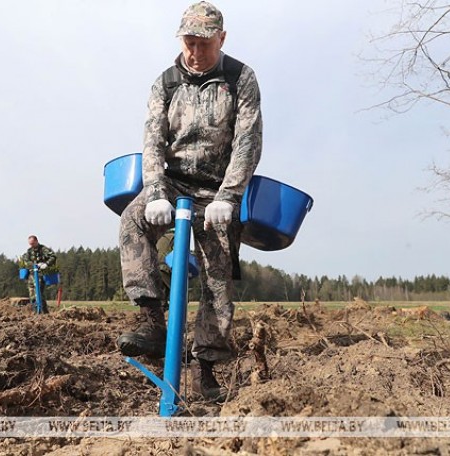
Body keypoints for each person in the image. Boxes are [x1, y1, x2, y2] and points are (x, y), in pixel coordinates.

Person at [116, 1, 262, 402]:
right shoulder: (166, 82)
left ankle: (207, 369)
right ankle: (151, 320)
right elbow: (152, 142)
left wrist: (228, 197)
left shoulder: (240, 78)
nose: (195, 53)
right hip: (174, 183)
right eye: (189, 42)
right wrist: (157, 192)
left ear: (222, 38)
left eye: (204, 44)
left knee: (216, 274)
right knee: (131, 221)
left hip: (217, 190)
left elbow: (248, 142)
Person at [21, 234, 57, 314]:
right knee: (32, 295)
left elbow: (53, 256)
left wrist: (46, 264)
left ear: (36, 241)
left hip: (40, 274)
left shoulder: (43, 249)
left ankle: (44, 312)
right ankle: (36, 311)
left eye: (33, 243)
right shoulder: (29, 251)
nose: (31, 245)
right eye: (30, 244)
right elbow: (25, 259)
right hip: (31, 275)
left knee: (39, 294)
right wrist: (33, 265)